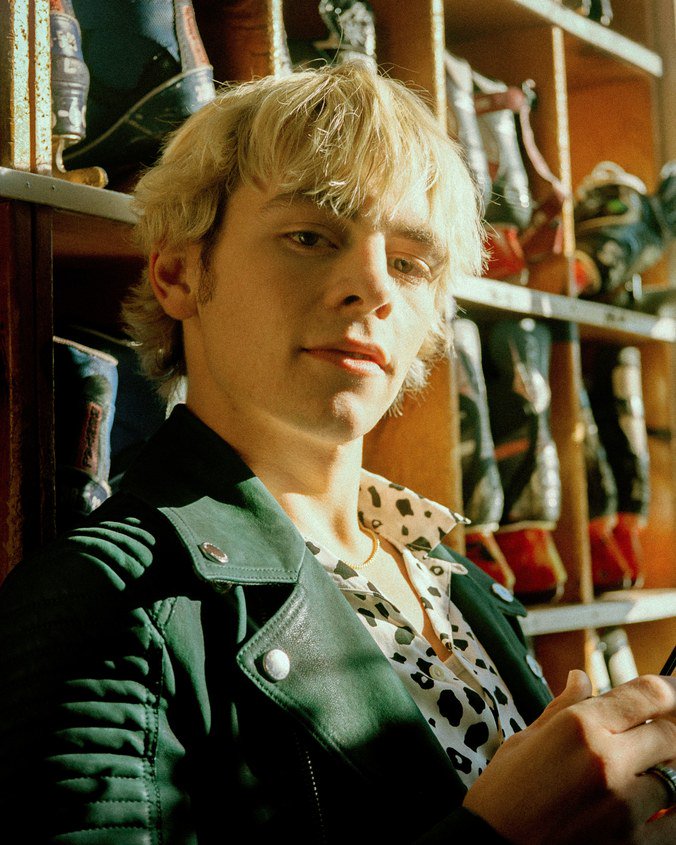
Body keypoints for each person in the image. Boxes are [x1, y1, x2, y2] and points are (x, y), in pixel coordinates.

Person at [0, 61, 675, 845]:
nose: (372, 286)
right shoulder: (108, 599)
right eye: (311, 236)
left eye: (411, 262)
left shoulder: (460, 582)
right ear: (178, 272)